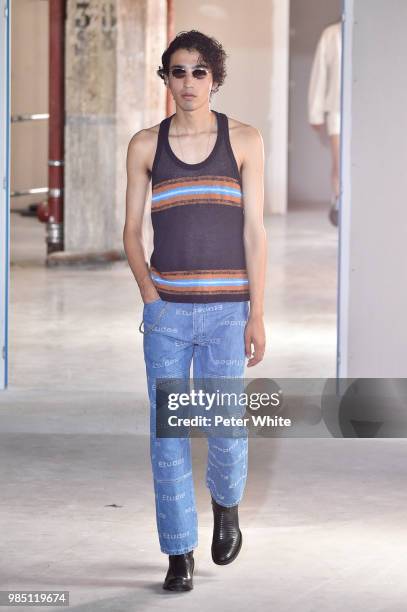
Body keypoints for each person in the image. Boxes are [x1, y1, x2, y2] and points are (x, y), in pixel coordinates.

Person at [123, 29, 266, 592]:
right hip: (167, 316)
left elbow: (255, 232)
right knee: (168, 437)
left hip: (230, 313)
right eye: (177, 71)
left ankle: (226, 504)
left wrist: (257, 312)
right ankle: (177, 551)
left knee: (225, 429)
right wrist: (150, 298)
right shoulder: (143, 146)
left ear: (216, 78)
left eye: (199, 71)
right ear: (166, 78)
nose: (188, 82)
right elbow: (131, 232)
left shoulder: (246, 140)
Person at [308, 21, 342, 226]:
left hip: (368, 110)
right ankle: (338, 204)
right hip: (337, 110)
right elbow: (320, 74)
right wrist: (315, 113)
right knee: (340, 164)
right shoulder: (331, 34)